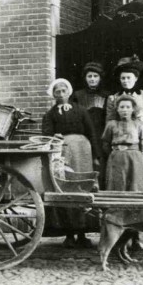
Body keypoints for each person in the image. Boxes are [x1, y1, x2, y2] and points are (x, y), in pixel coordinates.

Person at [42, 78, 101, 248]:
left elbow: (91, 132)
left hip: (83, 152)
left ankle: (82, 234)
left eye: (63, 91)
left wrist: (96, 156)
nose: (61, 94)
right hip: (63, 153)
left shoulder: (81, 111)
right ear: (53, 95)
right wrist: (54, 136)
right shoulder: (50, 114)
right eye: (57, 92)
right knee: (65, 188)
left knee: (82, 188)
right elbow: (46, 133)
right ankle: (69, 234)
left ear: (69, 92)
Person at [101, 95, 143, 192]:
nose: (125, 110)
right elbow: (106, 143)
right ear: (117, 109)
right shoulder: (111, 124)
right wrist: (115, 152)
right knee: (117, 182)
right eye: (121, 107)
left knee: (135, 183)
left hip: (134, 158)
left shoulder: (139, 124)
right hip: (116, 157)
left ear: (133, 109)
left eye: (128, 107)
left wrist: (142, 158)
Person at [71, 62, 109, 141]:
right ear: (85, 78)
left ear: (100, 78)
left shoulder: (107, 95)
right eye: (89, 76)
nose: (92, 79)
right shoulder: (77, 95)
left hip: (102, 133)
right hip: (84, 133)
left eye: (95, 76)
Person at [106, 55, 143, 123]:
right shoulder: (113, 98)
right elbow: (110, 122)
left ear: (136, 78)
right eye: (123, 78)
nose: (125, 81)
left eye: (128, 78)